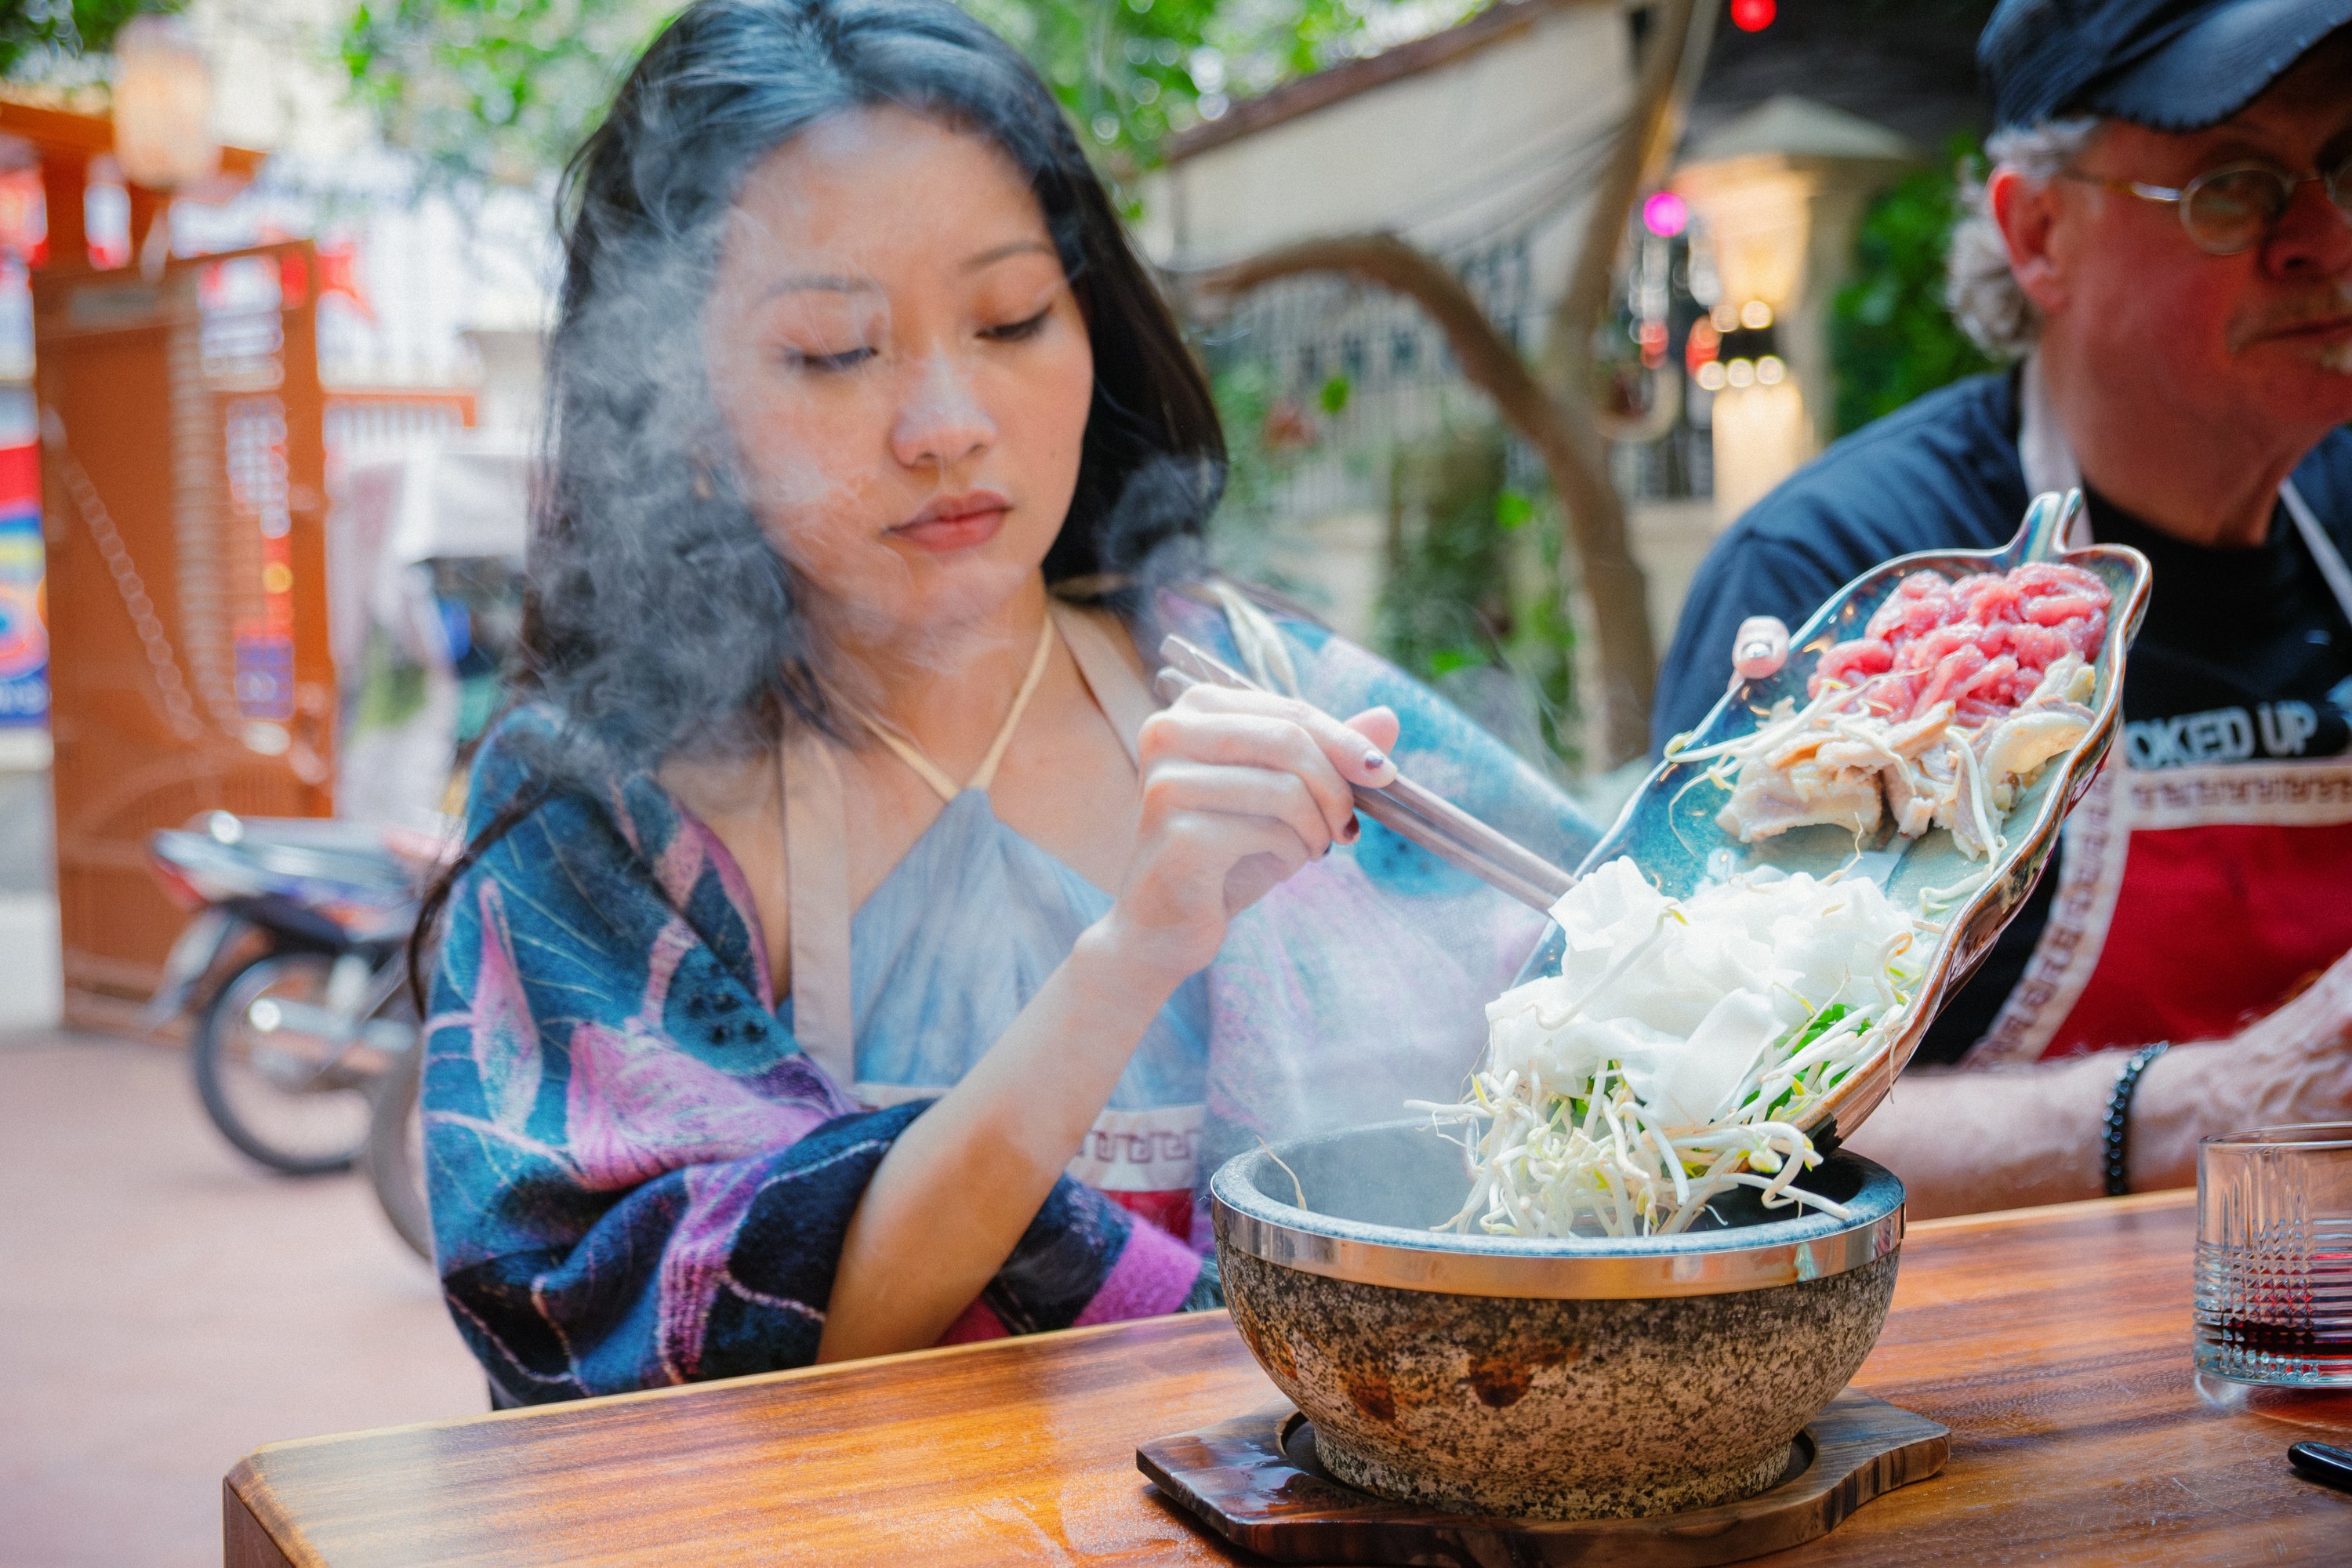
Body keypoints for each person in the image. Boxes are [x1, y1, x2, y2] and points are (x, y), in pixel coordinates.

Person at [418, 0, 1593, 1406]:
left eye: (1012, 318)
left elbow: (1648, 996)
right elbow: (622, 1341)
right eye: (833, 351)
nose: (947, 423)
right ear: (678, 423)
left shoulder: (1264, 687)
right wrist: (1135, 949)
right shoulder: (609, 817)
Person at [1654, 0, 2352, 1219]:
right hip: (1996, 1366)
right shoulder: (1862, 578)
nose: (2326, 239)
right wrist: (2215, 1107)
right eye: (2234, 186)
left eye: (2346, 169)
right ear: (2038, 233)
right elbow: (1702, 1119)